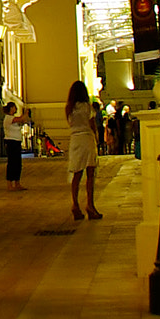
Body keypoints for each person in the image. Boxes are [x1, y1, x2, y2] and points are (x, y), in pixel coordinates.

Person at [65, 81, 102, 221]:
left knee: (77, 173)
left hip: (75, 139)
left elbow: (70, 123)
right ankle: (90, 205)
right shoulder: (87, 107)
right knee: (90, 174)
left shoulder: (69, 108)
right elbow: (92, 124)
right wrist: (97, 138)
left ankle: (75, 204)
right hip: (86, 138)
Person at [1, 102, 26, 191]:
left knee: (18, 163)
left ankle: (17, 182)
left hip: (17, 142)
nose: (15, 109)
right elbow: (19, 119)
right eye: (14, 107)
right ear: (11, 108)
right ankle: (9, 183)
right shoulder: (8, 118)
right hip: (11, 142)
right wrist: (25, 113)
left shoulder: (12, 118)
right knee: (12, 163)